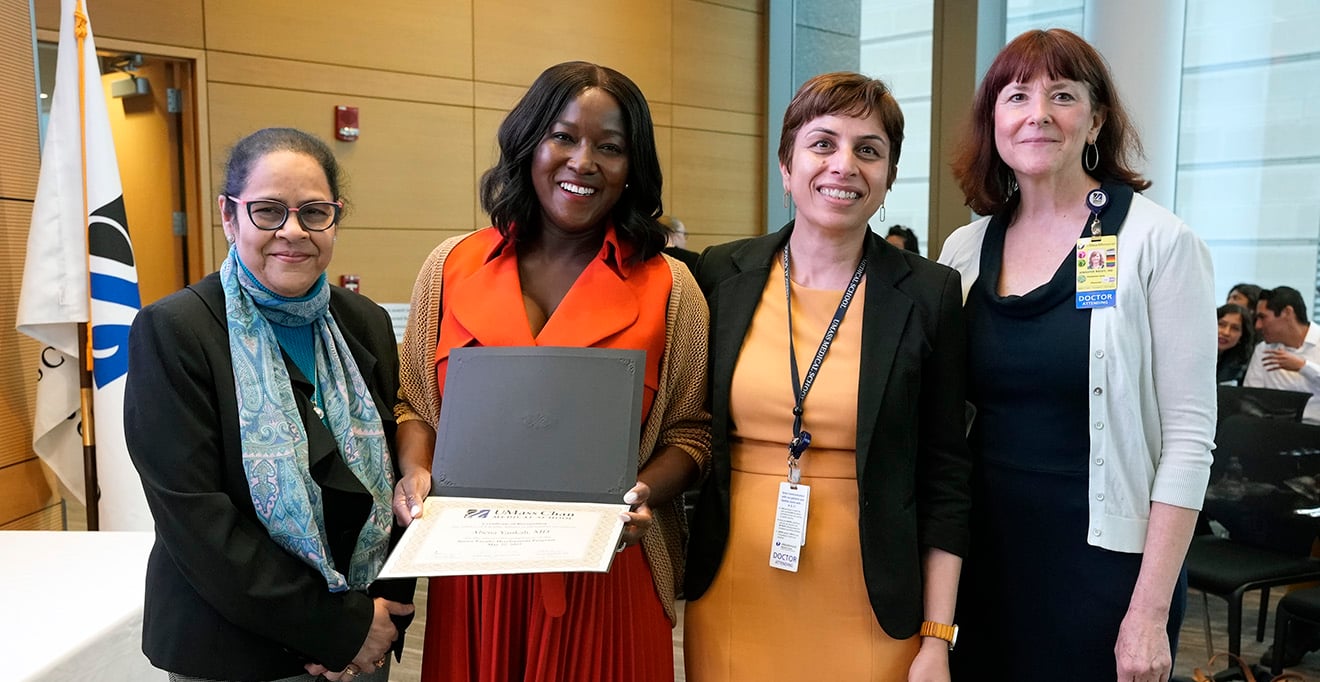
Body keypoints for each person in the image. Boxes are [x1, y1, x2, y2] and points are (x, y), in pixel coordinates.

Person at [391, 61, 711, 682]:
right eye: (563, 136)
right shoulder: (450, 267)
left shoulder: (673, 289)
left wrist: (643, 492)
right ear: (529, 142)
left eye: (610, 147)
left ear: (632, 167)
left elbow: (692, 436)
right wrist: (414, 472)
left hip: (609, 572)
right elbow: (414, 406)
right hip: (476, 578)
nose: (583, 160)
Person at [938, 29, 1216, 681]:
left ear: (1096, 120)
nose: (1038, 113)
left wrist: (1147, 615)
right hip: (984, 560)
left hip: (1106, 573)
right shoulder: (964, 249)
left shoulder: (1160, 242)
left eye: (1062, 95)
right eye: (1016, 96)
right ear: (994, 123)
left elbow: (1190, 437)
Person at [684, 71, 972, 681]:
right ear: (786, 167)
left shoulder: (929, 293)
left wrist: (937, 638)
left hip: (871, 597)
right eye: (823, 143)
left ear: (888, 178)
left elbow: (947, 472)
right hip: (734, 589)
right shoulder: (720, 275)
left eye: (868, 150)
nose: (844, 165)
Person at [125, 127, 415, 682]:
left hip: (363, 639)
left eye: (314, 212)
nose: (292, 231)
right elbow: (195, 518)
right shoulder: (174, 330)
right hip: (235, 649)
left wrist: (383, 617)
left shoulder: (366, 323)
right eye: (267, 211)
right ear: (228, 217)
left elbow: (390, 484)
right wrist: (335, 630)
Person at [1244, 285, 1320, 425]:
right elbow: (1251, 397)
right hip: (1274, 430)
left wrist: (1303, 367)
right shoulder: (1262, 350)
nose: (1258, 326)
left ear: (1287, 312)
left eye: (1263, 317)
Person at [1217, 303, 1254, 385]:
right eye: (1221, 324)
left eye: (1235, 328)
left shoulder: (1245, 367)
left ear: (1242, 336)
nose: (1226, 332)